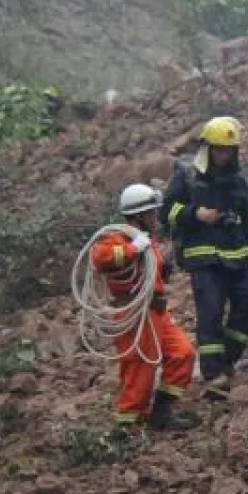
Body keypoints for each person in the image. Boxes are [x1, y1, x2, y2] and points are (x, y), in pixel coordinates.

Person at [164, 116, 248, 400]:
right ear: (208, 147)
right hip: (204, 257)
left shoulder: (237, 180)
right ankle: (214, 376)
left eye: (229, 150)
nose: (224, 155)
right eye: (219, 150)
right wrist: (195, 214)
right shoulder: (187, 176)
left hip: (238, 254)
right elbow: (167, 212)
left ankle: (226, 360)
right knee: (210, 313)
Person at [89, 184, 199, 432]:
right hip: (134, 312)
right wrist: (132, 248)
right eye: (150, 213)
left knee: (183, 354)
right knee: (140, 368)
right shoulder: (118, 239)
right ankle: (128, 426)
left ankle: (161, 413)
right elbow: (100, 257)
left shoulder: (149, 241)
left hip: (156, 311)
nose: (155, 217)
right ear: (138, 215)